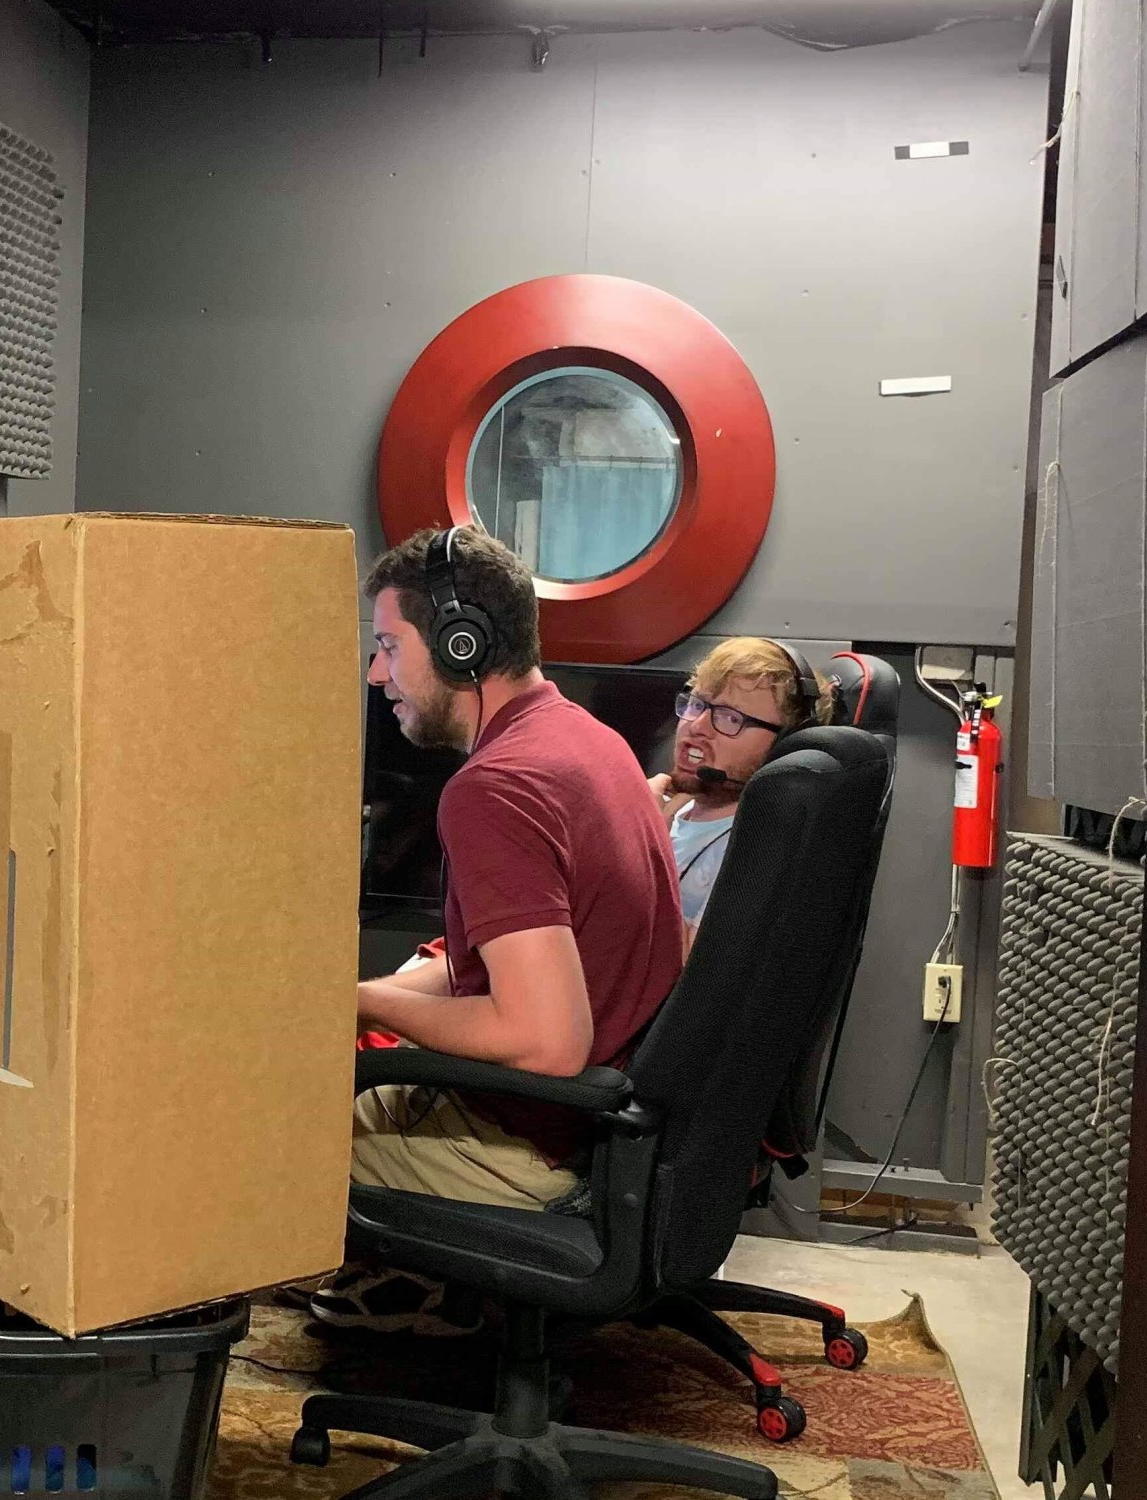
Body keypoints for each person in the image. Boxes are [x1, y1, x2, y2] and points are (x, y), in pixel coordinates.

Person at [310, 526, 685, 1335]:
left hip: (527, 1147)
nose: (376, 674)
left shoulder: (496, 789)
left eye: (389, 647)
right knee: (305, 1091)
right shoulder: (586, 742)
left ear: (462, 644)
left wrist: (362, 1006)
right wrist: (361, 994)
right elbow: (500, 963)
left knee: (241, 1147)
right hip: (598, 1130)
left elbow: (544, 1041)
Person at [649, 638, 836, 947]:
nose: (697, 726)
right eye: (697, 704)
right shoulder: (675, 805)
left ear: (785, 745)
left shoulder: (750, 852)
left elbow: (690, 966)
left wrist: (643, 845)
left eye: (730, 717)